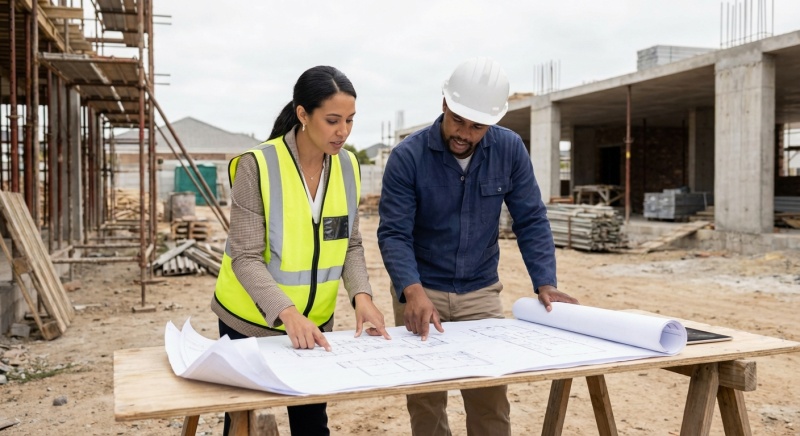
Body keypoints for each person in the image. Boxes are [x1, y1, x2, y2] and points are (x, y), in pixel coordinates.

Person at [377, 57, 579, 436]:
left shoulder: (509, 150)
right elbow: (394, 234)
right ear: (443, 104)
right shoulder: (408, 156)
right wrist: (412, 291)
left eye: (477, 126)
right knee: (426, 399)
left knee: (489, 400)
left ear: (493, 122)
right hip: (421, 290)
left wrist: (545, 282)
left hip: (481, 291)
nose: (465, 134)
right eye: (458, 121)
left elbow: (531, 218)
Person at [212, 65, 391, 436]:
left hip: (315, 323)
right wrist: (288, 314)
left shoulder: (348, 167)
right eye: (332, 120)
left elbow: (350, 242)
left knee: (311, 424)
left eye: (350, 120)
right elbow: (244, 256)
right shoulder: (256, 165)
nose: (343, 132)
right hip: (247, 324)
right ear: (303, 115)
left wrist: (362, 295)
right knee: (243, 423)